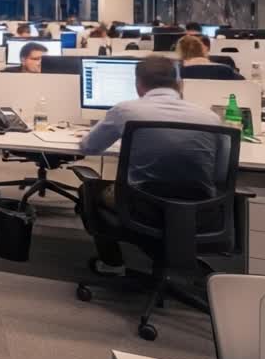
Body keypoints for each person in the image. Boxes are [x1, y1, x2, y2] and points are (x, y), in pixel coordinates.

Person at [77, 56, 223, 275]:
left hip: (141, 206)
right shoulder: (210, 118)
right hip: (200, 208)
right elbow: (219, 168)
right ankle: (174, 251)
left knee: (89, 189)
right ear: (179, 85)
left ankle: (113, 264)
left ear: (138, 85)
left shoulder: (125, 111)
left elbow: (89, 147)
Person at [177, 33, 244, 80]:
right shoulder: (226, 71)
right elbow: (246, 85)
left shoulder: (177, 73)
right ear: (204, 50)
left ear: (180, 54)